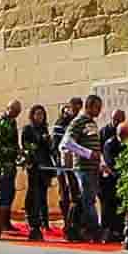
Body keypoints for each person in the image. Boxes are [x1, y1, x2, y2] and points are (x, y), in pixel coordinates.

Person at [59, 95, 106, 241]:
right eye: (97, 107)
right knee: (88, 201)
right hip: (83, 168)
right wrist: (88, 153)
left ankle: (83, 229)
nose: (99, 111)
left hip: (93, 169)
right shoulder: (78, 121)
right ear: (89, 106)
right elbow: (66, 142)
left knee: (89, 200)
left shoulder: (91, 122)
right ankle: (95, 231)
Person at [20, 104, 56, 242]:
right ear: (32, 115)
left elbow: (48, 149)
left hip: (45, 166)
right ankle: (32, 218)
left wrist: (49, 142)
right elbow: (27, 146)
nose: (39, 117)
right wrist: (41, 139)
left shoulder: (44, 129)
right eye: (37, 114)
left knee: (43, 194)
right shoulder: (28, 129)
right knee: (33, 193)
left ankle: (44, 221)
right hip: (34, 166)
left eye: (42, 114)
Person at [101, 119, 128, 246]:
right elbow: (110, 163)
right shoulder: (110, 144)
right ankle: (108, 232)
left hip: (122, 179)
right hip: (110, 181)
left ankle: (118, 232)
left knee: (120, 206)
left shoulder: (127, 143)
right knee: (109, 207)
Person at [0, 100, 22, 232]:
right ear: (8, 108)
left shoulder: (12, 122)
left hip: (11, 162)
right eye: (15, 111)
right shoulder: (2, 123)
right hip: (3, 162)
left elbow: (14, 141)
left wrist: (19, 151)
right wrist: (12, 151)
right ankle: (1, 221)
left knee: (10, 192)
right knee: (4, 192)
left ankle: (6, 220)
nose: (16, 114)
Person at [54, 98, 79, 231]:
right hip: (63, 164)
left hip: (76, 163)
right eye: (74, 108)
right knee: (65, 193)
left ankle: (74, 224)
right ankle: (67, 222)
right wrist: (60, 164)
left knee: (75, 193)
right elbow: (57, 145)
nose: (75, 111)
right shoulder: (62, 123)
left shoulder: (78, 122)